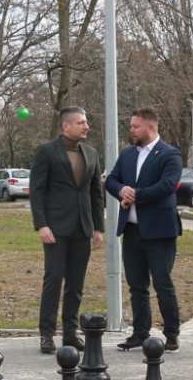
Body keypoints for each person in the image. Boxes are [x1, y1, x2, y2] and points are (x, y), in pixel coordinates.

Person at [105, 107, 184, 352]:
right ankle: (140, 333)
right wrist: (121, 190)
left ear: (151, 127)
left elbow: (167, 186)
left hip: (160, 232)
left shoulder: (170, 154)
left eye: (136, 126)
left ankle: (171, 334)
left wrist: (135, 195)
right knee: (137, 286)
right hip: (132, 230)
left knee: (162, 283)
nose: (132, 130)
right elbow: (111, 180)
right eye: (131, 126)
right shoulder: (128, 154)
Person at [29, 107, 105, 353]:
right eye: (81, 122)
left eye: (86, 122)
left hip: (82, 227)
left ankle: (70, 333)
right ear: (66, 126)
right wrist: (41, 224)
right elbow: (37, 191)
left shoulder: (91, 153)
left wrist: (98, 228)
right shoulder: (47, 152)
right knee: (53, 279)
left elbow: (96, 193)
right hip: (55, 228)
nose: (86, 126)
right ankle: (46, 334)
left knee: (76, 283)